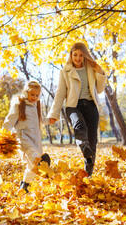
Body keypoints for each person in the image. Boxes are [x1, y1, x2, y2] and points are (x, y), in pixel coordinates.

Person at [47, 42, 107, 176]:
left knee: (92, 140)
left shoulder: (91, 69)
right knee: (79, 125)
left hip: (91, 106)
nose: (78, 58)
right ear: (71, 55)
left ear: (85, 56)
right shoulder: (65, 72)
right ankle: (83, 146)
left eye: (81, 55)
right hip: (73, 106)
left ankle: (88, 173)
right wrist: (54, 113)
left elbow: (100, 90)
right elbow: (60, 93)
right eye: (75, 55)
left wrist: (100, 73)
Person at [3, 81, 51, 193]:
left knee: (32, 167)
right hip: (23, 137)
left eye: (36, 95)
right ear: (26, 93)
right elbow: (9, 120)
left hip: (35, 138)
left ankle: (25, 185)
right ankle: (40, 162)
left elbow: (42, 120)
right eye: (32, 94)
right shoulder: (19, 104)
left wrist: (50, 120)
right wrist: (4, 134)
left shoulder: (36, 106)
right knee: (32, 153)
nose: (34, 97)